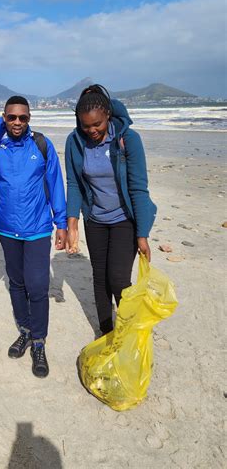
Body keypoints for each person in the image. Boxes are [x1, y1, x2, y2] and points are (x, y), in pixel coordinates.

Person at [0, 96, 67, 378]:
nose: (18, 122)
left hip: (38, 228)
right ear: (5, 117)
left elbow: (55, 183)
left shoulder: (42, 146)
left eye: (23, 117)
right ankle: (24, 330)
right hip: (8, 229)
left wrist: (62, 223)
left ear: (29, 117)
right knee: (17, 283)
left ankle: (39, 342)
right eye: (12, 117)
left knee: (37, 285)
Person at [65, 84, 156, 335]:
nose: (92, 130)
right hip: (95, 218)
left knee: (118, 280)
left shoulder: (128, 140)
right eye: (86, 126)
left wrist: (142, 234)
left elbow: (138, 188)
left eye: (97, 124)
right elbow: (73, 183)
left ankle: (128, 334)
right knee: (99, 277)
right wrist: (72, 222)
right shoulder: (74, 142)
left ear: (107, 114)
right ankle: (105, 332)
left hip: (124, 218)